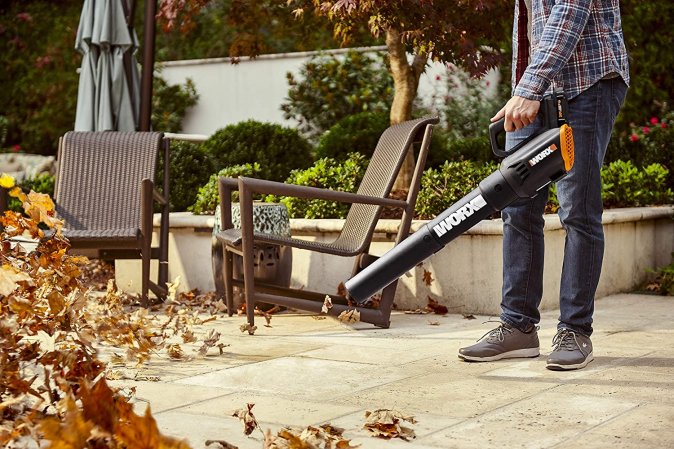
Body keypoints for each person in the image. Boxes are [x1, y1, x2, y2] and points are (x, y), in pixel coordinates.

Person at [458, 0, 629, 370]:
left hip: (588, 81)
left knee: (578, 209)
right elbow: (530, 27)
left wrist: (529, 87)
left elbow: (571, 10)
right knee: (516, 205)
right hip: (537, 89)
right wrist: (525, 88)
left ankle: (575, 330)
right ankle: (517, 326)